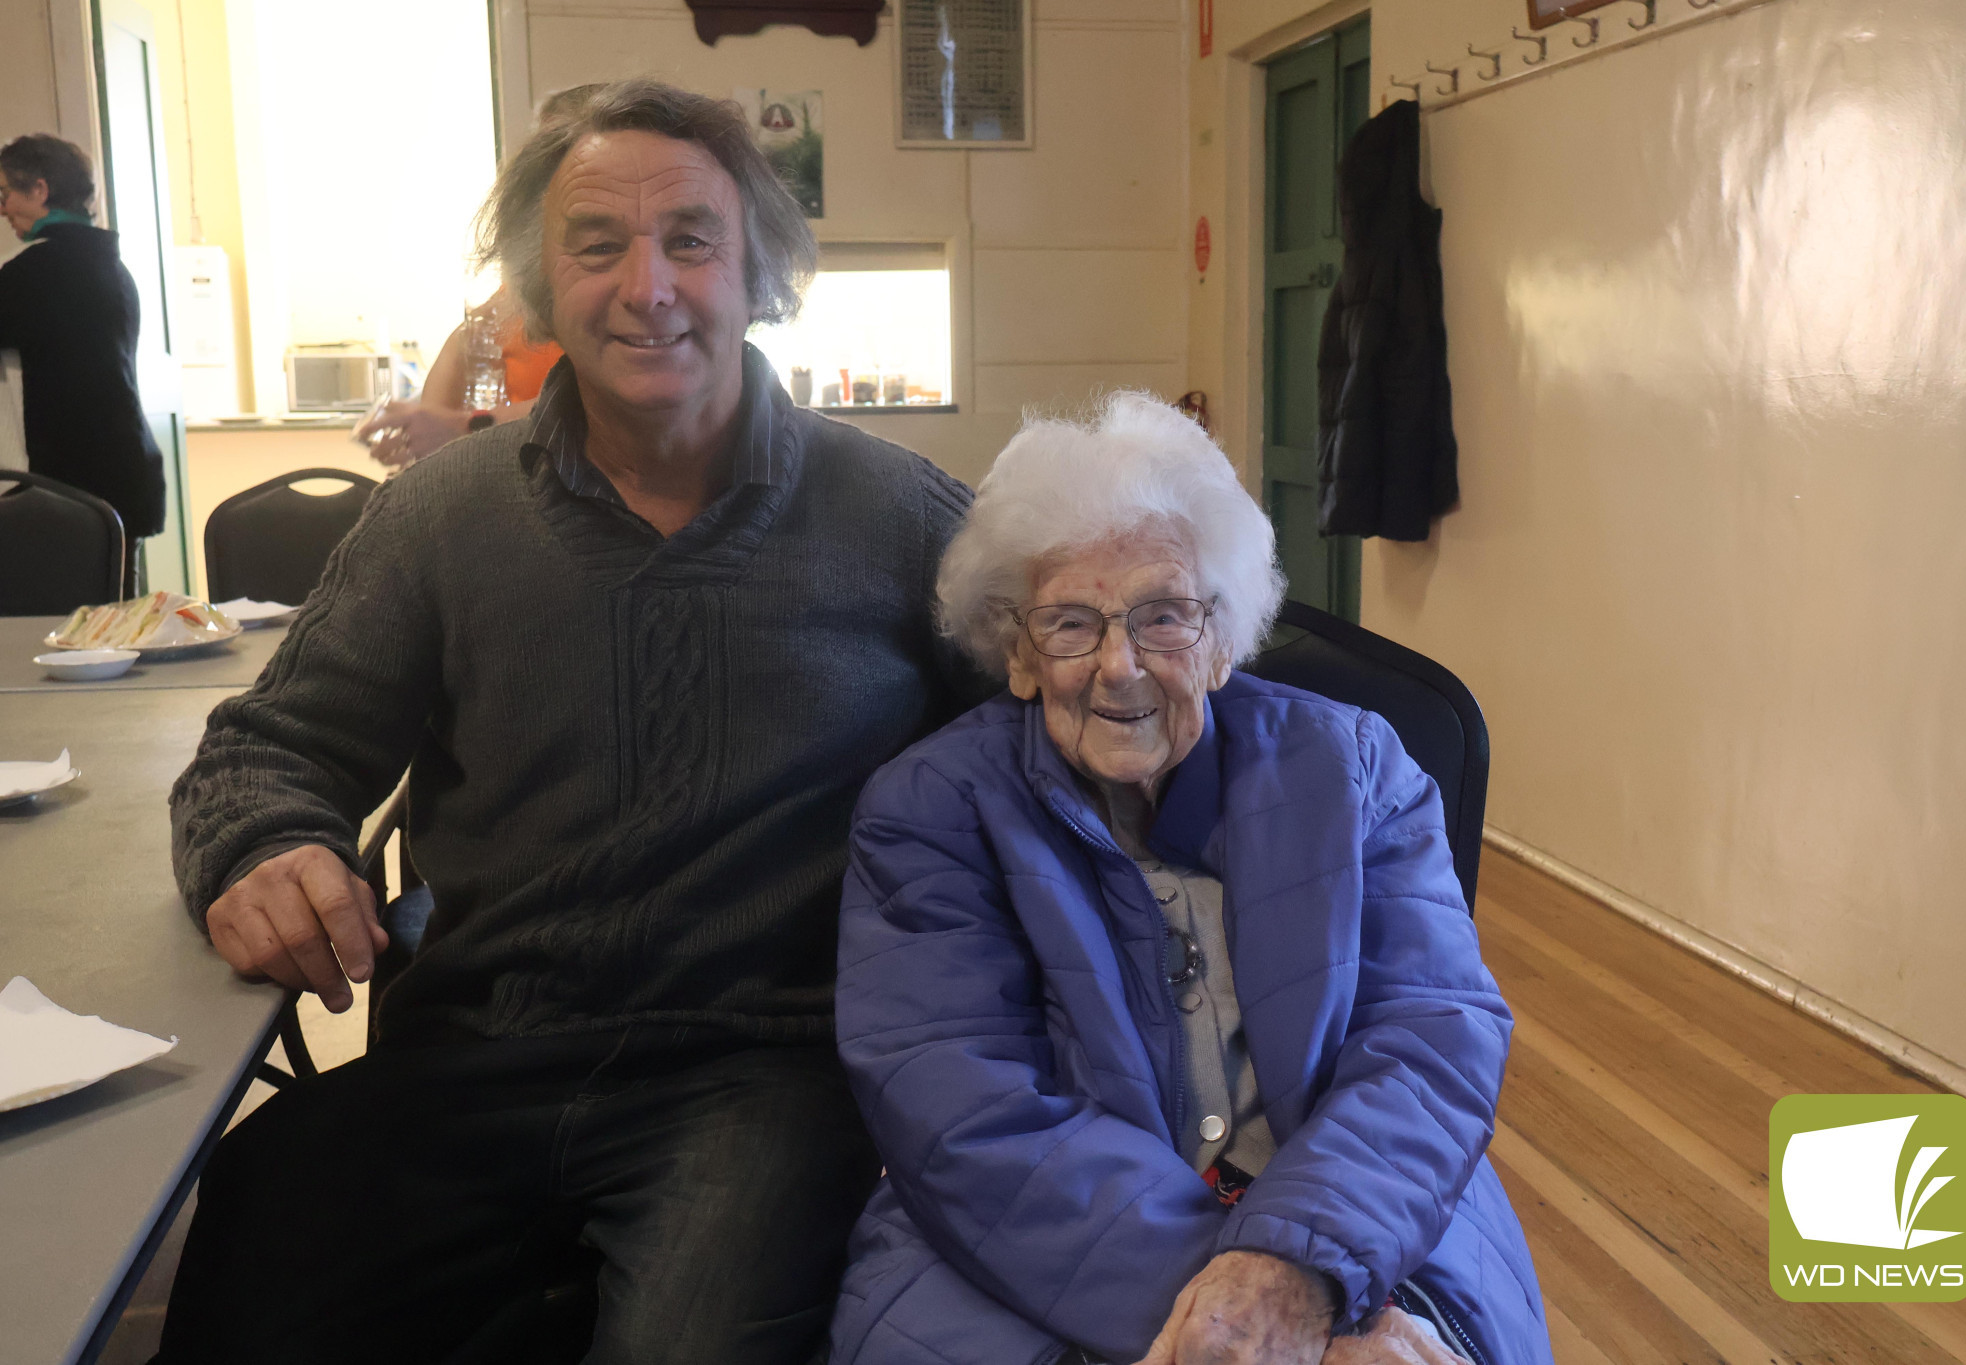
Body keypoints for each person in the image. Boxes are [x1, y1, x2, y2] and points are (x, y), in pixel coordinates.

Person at [159, 79, 981, 1365]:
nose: (646, 286)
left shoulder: (903, 517)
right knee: (253, 1283)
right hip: (477, 1051)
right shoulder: (440, 518)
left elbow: (1068, 732)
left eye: (692, 242)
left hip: (761, 1076)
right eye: (596, 245)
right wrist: (263, 848)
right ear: (537, 290)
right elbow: (272, 746)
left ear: (759, 272)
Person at [829, 394, 1551, 1365]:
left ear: (1220, 639)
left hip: (1360, 1224)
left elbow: (1433, 1038)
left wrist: (1306, 1275)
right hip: (1027, 1260)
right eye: (1071, 623)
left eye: (1162, 616)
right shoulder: (928, 808)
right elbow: (957, 1107)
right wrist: (1253, 1323)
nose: (1119, 665)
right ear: (1018, 655)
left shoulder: (1358, 770)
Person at [354, 85, 599, 468]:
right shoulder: (512, 298)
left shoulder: (627, 295)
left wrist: (466, 426)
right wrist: (415, 434)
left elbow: (605, 403)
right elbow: (429, 453)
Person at [0, 133, 165, 592]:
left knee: (76, 632)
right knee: (117, 623)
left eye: (6, 194)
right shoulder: (112, 268)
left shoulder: (35, 272)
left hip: (73, 491)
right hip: (124, 473)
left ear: (39, 190)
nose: (2, 208)